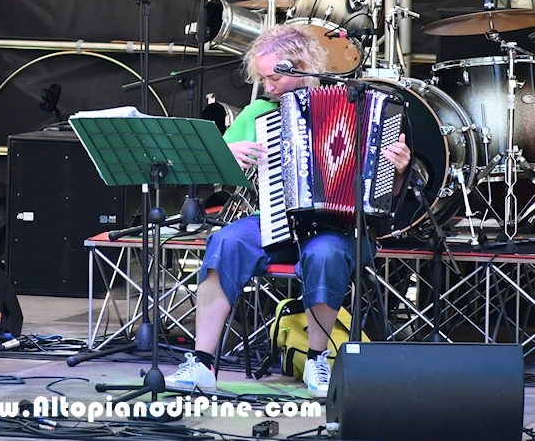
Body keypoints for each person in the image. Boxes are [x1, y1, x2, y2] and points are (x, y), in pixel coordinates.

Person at [164, 24, 411, 398]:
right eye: (262, 78)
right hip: (276, 219)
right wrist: (227, 154)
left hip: (338, 228)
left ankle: (316, 360)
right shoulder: (258, 112)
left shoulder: (359, 106)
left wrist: (400, 168)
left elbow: (388, 193)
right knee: (225, 242)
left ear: (302, 68)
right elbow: (210, 168)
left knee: (325, 254)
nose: (268, 87)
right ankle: (202, 363)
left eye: (274, 78)